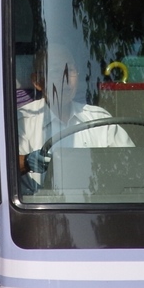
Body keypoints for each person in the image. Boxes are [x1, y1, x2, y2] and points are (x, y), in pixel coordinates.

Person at [18, 47, 133, 191]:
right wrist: (27, 162)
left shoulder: (100, 120)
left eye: (70, 70)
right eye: (55, 71)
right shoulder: (22, 121)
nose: (65, 79)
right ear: (37, 82)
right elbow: (2, 166)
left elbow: (131, 163)